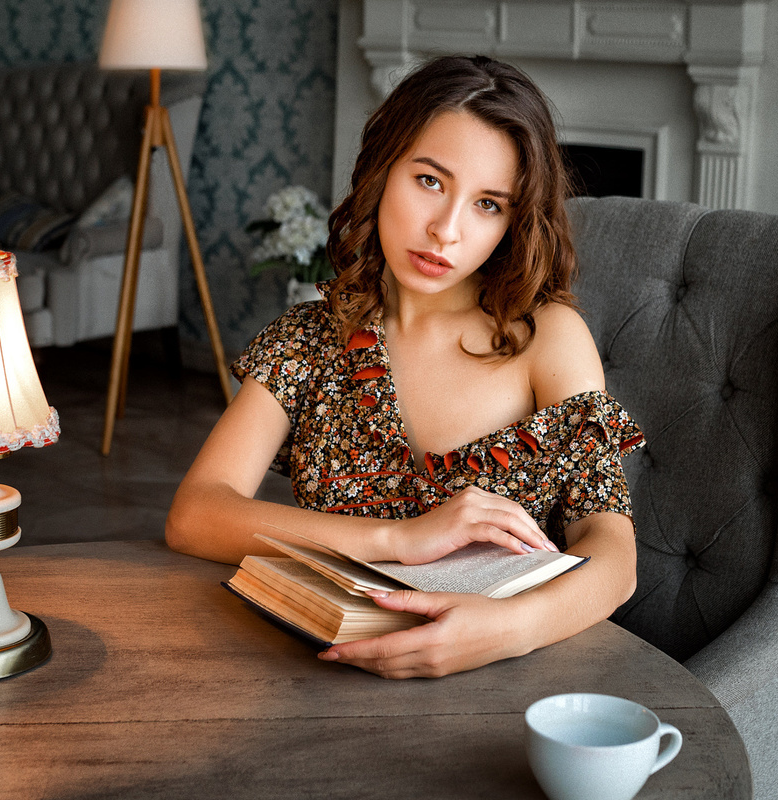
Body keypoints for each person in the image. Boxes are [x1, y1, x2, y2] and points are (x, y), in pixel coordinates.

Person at [165, 55, 643, 679]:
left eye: (489, 204)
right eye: (431, 181)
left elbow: (614, 557)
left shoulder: (546, 341)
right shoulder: (309, 340)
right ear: (382, 170)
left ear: (514, 221)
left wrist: (506, 630)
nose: (447, 230)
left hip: (506, 674)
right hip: (325, 670)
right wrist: (399, 538)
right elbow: (195, 515)